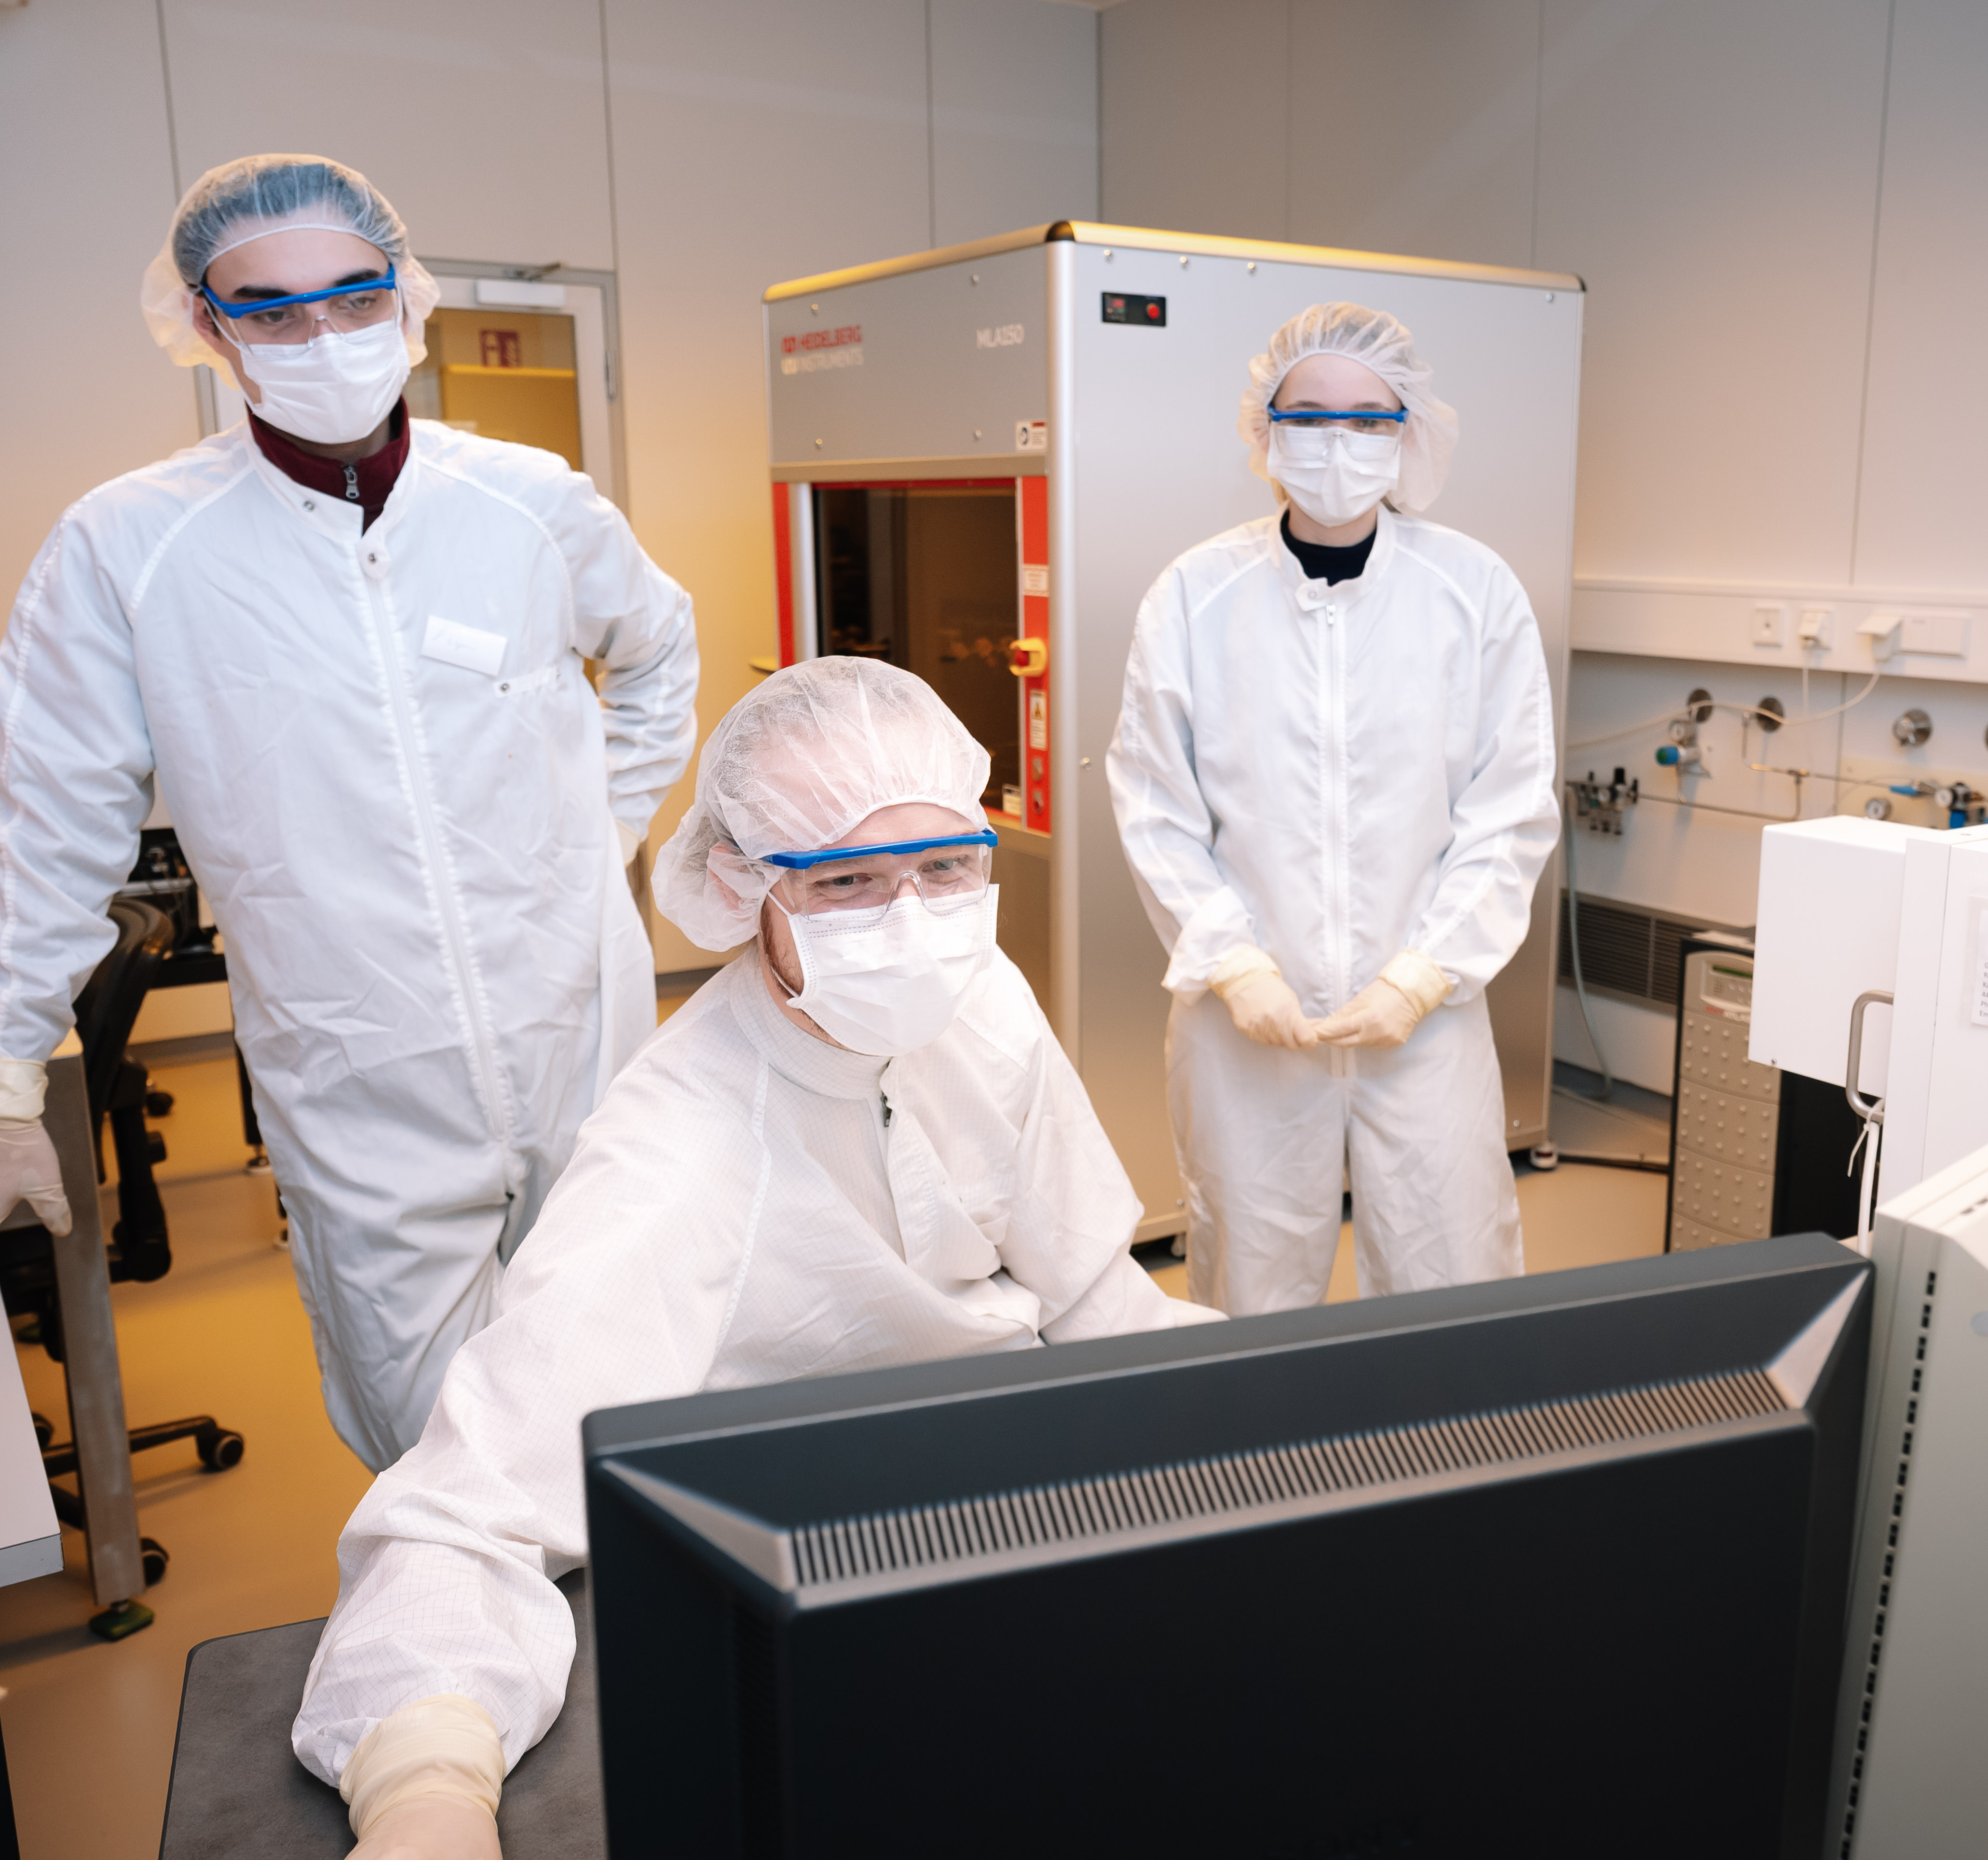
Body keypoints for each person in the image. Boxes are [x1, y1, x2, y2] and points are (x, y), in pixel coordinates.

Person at [290, 659, 1219, 1859]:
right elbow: (469, 1515)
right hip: (807, 1582)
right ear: (745, 887)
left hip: (1015, 1510)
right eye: (845, 882)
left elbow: (1097, 1298)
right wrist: (427, 1790)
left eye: (945, 867)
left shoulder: (980, 995)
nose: (913, 923)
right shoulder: (676, 1151)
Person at [0, 154, 700, 1472]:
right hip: (358, 1068)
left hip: (582, 1034)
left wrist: (601, 835)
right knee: (433, 1452)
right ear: (206, 329)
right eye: (270, 310)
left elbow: (658, 651)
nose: (321, 336)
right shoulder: (129, 548)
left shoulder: (529, 503)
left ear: (408, 299)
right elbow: (56, 828)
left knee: (635, 1401)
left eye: (353, 297)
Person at [1108, 302, 1559, 1317]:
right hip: (1249, 1025)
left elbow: (1509, 809)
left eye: (1367, 419)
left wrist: (1423, 974)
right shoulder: (1196, 594)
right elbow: (1153, 801)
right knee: (1251, 1277)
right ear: (1263, 430)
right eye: (1308, 418)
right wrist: (1233, 964)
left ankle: (1448, 1430)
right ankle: (1254, 1431)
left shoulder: (1471, 590)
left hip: (1425, 1020)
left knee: (1451, 1270)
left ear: (1409, 433)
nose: (1336, 444)